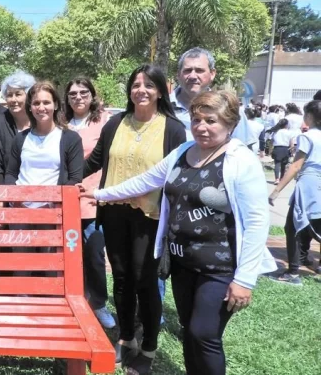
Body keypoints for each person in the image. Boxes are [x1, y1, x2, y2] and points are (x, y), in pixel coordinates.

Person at [86, 90, 276, 375]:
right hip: (183, 262)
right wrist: (100, 194)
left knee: (204, 334)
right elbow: (145, 181)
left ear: (230, 124)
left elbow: (258, 221)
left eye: (211, 121)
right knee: (190, 330)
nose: (202, 126)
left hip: (220, 267)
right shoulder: (183, 152)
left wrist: (245, 280)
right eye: (197, 119)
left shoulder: (241, 160)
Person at [83, 64, 186, 373]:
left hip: (150, 217)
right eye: (136, 84)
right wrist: (65, 180)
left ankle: (149, 347)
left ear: (159, 91)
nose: (141, 90)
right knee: (123, 279)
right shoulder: (116, 123)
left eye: (148, 85)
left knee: (146, 282)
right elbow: (96, 161)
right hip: (114, 213)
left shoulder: (172, 128)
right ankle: (127, 337)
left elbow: (177, 177)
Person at [63, 76, 115, 329]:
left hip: (92, 198)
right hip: (64, 199)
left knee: (93, 253)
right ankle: (69, 300)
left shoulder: (103, 122)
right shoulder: (60, 123)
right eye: (73, 94)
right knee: (67, 255)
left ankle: (98, 303)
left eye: (83, 92)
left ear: (92, 95)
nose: (78, 98)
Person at [5, 80, 84, 220]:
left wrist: (52, 203)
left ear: (56, 105)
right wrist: (17, 201)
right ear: (30, 107)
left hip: (54, 212)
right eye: (36, 103)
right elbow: (11, 174)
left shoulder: (71, 138)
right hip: (20, 211)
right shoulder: (20, 139)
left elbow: (75, 178)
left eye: (46, 102)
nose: (41, 107)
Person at [269, 100, 321, 283]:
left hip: (308, 185)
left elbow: (296, 166)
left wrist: (276, 191)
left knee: (293, 227)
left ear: (309, 116)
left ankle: (292, 273)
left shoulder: (307, 137)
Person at [170, 47, 253, 145]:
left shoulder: (229, 108)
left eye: (199, 70)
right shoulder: (160, 106)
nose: (192, 76)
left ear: (212, 74)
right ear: (178, 74)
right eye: (187, 70)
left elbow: (244, 150)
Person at [0, 70, 35, 185]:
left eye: (18, 94)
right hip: (7, 190)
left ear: (29, 96)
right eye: (9, 95)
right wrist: (2, 194)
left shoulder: (39, 120)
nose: (13, 100)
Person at [268, 119, 295, 184]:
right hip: (285, 149)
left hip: (277, 149)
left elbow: (271, 142)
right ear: (286, 125)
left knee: (277, 164)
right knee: (283, 165)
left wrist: (270, 150)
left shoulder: (275, 132)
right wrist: (292, 151)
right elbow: (292, 143)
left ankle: (276, 179)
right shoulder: (289, 132)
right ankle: (281, 179)